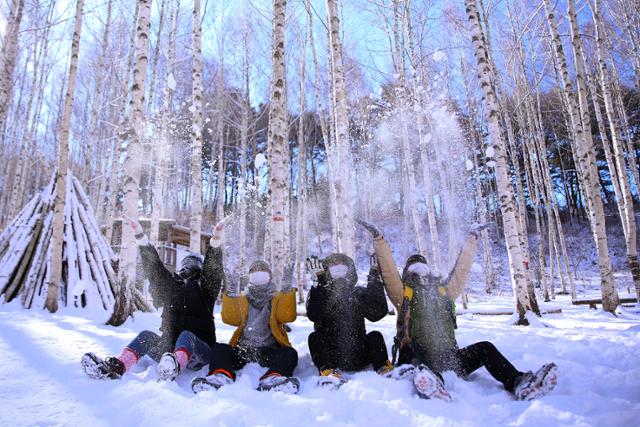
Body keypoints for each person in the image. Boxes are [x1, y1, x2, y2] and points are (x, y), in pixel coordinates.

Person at [357, 218, 558, 401]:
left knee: (485, 348)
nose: (419, 270)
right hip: (417, 358)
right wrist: (379, 240)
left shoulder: (443, 291)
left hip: (450, 357)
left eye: (422, 266)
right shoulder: (404, 294)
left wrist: (471, 238)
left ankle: (518, 382)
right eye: (413, 267)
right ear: (407, 273)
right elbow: (390, 274)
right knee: (413, 349)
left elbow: (460, 271)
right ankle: (432, 383)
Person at [81, 219, 224, 381]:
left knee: (186, 335)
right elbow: (155, 270)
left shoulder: (205, 290)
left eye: (191, 265)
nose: (186, 269)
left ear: (198, 269)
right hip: (170, 350)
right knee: (146, 336)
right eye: (184, 265)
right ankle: (117, 366)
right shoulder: (172, 286)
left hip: (200, 351)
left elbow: (213, 273)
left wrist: (215, 244)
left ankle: (174, 367)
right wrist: (142, 239)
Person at [191, 230, 299, 394]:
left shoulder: (276, 298)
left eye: (263, 271)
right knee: (220, 348)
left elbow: (287, 316)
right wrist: (231, 294)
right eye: (255, 272)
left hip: (269, 351)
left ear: (269, 277)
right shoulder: (243, 299)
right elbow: (230, 319)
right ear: (249, 278)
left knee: (289, 353)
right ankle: (221, 375)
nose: (259, 274)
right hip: (243, 350)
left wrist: (286, 290)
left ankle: (274, 377)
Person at [304, 251, 393, 388]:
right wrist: (320, 284)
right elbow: (315, 315)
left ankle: (383, 368)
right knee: (314, 338)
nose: (338, 267)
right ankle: (327, 371)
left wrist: (374, 280)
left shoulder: (357, 293)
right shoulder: (320, 292)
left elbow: (377, 313)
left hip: (360, 355)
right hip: (331, 357)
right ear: (326, 270)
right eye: (333, 264)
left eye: (342, 264)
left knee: (375, 336)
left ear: (349, 269)